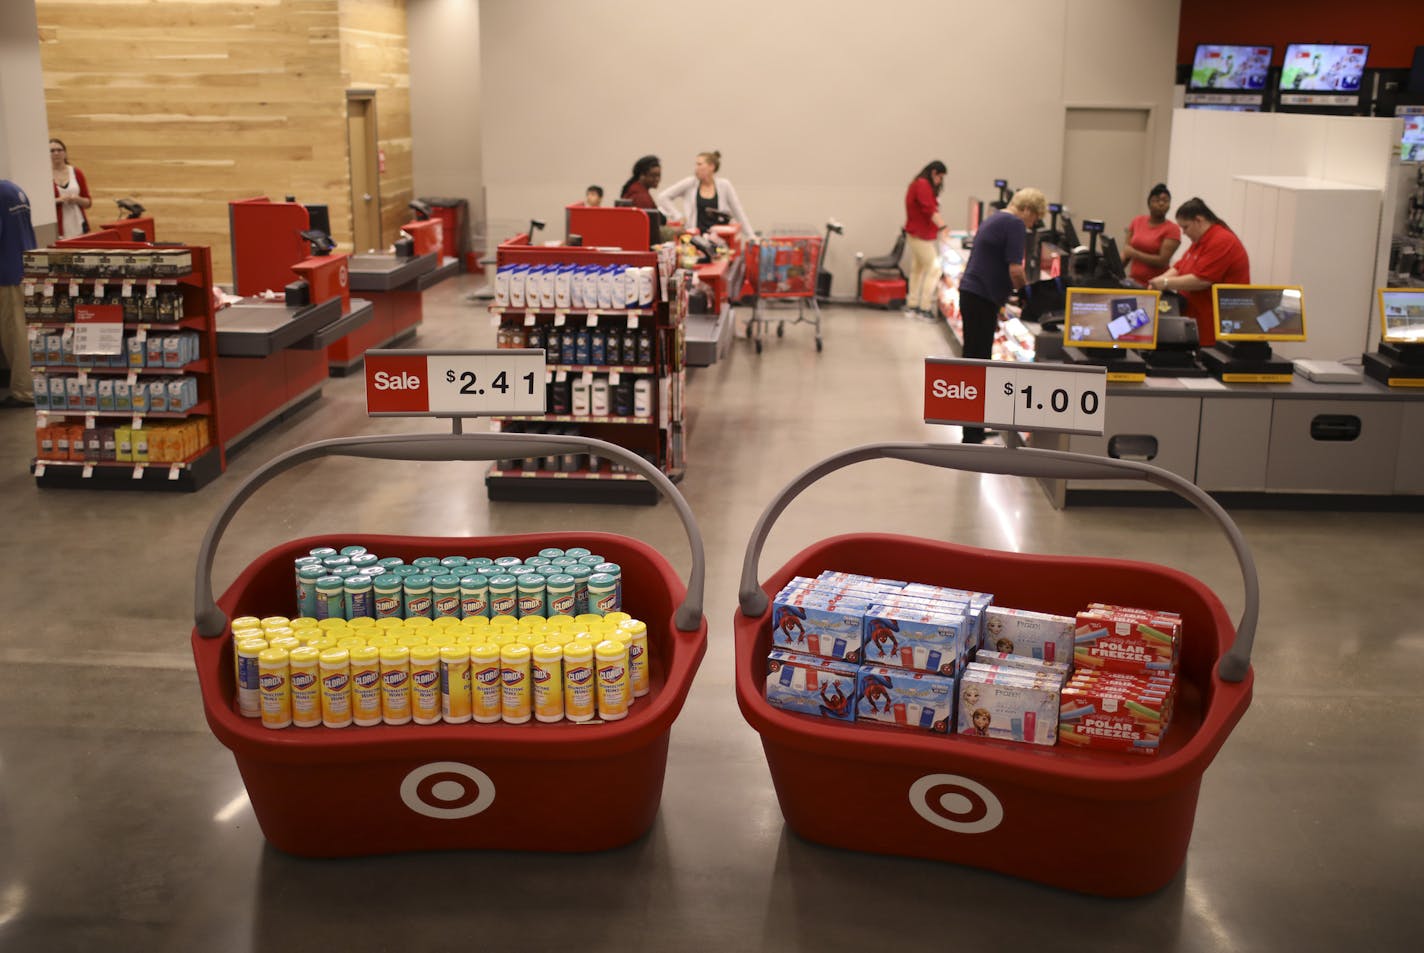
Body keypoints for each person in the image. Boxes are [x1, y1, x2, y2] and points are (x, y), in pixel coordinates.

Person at [955, 186, 1048, 443]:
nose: (1033, 225)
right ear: (1028, 210)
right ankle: (972, 433)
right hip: (982, 297)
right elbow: (1016, 270)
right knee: (978, 364)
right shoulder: (1015, 224)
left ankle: (973, 427)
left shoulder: (996, 217)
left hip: (973, 294)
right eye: (1036, 218)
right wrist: (1030, 294)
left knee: (974, 360)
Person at [1147, 197, 1250, 347]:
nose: (1183, 233)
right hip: (1196, 319)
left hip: (1214, 325)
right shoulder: (1201, 240)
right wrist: (1156, 282)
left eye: (1186, 227)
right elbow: (1179, 267)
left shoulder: (1222, 240)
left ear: (1199, 220)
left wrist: (1164, 283)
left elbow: (1201, 280)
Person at [1, 177, 38, 407]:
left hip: (7, 273)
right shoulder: (14, 189)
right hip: (25, 266)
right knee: (23, 330)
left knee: (14, 334)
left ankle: (24, 391)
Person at [657, 151, 754, 237]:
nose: (696, 168)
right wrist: (678, 216)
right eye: (696, 164)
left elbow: (738, 211)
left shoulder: (724, 185)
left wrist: (751, 235)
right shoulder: (690, 183)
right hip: (694, 237)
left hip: (718, 238)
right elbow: (663, 197)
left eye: (699, 164)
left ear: (711, 167)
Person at [903, 160, 947, 320]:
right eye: (940, 177)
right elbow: (929, 209)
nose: (940, 181)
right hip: (920, 235)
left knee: (918, 269)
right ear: (934, 173)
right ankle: (925, 307)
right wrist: (943, 227)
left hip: (917, 233)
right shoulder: (922, 185)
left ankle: (913, 304)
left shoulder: (918, 183)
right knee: (935, 269)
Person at [1122, 183, 1181, 287]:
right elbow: (1127, 252)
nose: (1161, 203)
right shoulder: (1137, 221)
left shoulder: (1173, 229)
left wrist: (1134, 254)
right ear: (1149, 202)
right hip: (1133, 282)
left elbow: (1162, 261)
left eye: (1166, 201)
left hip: (1155, 285)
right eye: (1157, 200)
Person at [50, 139, 92, 239]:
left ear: (65, 153)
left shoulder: (76, 172)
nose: (56, 153)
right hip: (57, 229)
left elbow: (88, 202)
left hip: (79, 226)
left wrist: (77, 199)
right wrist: (58, 200)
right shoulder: (43, 175)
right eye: (52, 151)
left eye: (59, 150)